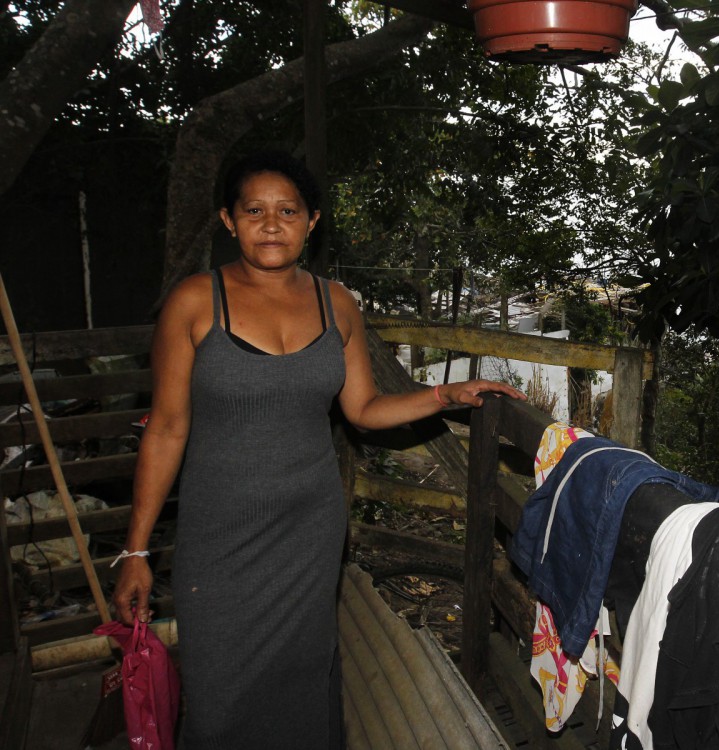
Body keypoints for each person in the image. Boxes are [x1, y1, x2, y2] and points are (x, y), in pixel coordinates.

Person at [111, 150, 525, 749]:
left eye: (288, 211)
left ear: (312, 221)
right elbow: (168, 429)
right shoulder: (196, 302)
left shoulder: (339, 305)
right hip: (218, 537)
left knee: (303, 682)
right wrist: (136, 549)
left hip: (309, 530)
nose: (271, 224)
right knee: (219, 695)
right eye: (254, 210)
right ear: (229, 221)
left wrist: (445, 395)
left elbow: (363, 410)